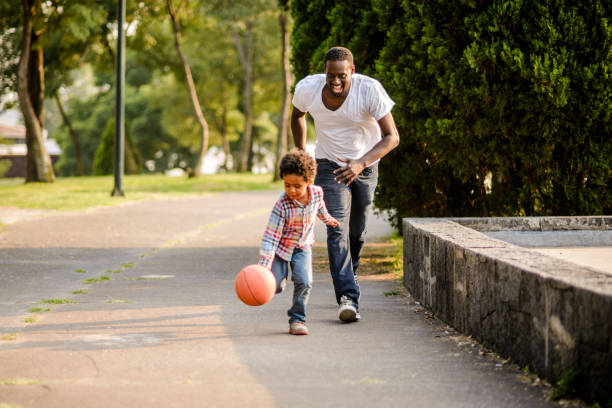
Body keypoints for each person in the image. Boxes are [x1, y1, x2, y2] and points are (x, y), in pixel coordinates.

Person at [291, 46, 400, 323]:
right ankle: (348, 297)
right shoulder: (308, 88)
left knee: (358, 231)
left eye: (342, 76)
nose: (335, 82)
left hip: (365, 164)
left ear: (351, 71)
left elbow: (392, 137)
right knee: (335, 228)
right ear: (324, 72)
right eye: (330, 76)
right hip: (329, 164)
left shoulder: (369, 90)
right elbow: (297, 116)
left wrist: (361, 163)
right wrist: (303, 154)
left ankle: (350, 271)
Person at [258, 149, 340, 335]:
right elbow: (271, 236)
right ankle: (280, 277)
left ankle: (297, 320)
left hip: (303, 246)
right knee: (275, 286)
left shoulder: (317, 193)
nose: (291, 190)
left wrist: (329, 220)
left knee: (304, 282)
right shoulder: (282, 204)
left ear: (309, 182)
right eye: (287, 185)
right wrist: (264, 266)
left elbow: (320, 209)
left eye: (297, 186)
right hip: (280, 248)